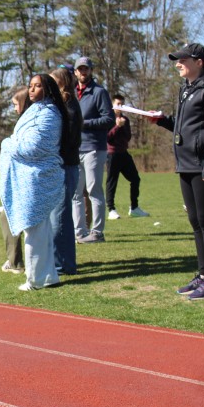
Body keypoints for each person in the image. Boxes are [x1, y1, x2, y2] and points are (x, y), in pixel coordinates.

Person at [150, 43, 204, 300]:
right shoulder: (186, 88)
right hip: (185, 163)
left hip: (202, 163)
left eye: (182, 59)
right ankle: (203, 274)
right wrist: (162, 120)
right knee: (195, 220)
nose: (178, 64)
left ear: (199, 62)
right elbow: (184, 127)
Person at [0, 74, 66, 291]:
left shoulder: (49, 115)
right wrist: (14, 142)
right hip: (28, 180)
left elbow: (32, 148)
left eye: (37, 86)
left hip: (38, 179)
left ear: (48, 89)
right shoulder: (35, 111)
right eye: (30, 86)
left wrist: (7, 143)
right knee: (40, 231)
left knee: (35, 231)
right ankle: (48, 276)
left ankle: (35, 279)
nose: (31, 90)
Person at [71, 57, 115, 243]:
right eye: (80, 69)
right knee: (76, 193)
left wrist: (85, 123)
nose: (83, 72)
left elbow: (109, 119)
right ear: (75, 72)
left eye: (86, 69)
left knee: (93, 190)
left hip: (94, 148)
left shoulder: (99, 92)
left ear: (90, 71)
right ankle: (79, 232)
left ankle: (97, 232)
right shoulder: (72, 93)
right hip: (75, 149)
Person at [49, 66, 83, 276]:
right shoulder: (64, 105)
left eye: (53, 81)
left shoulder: (68, 107)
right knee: (59, 216)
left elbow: (67, 140)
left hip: (65, 167)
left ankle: (63, 265)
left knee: (60, 218)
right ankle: (60, 262)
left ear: (61, 83)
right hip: (65, 166)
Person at [0, 88, 32, 275]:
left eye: (15, 104)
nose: (14, 109)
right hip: (21, 178)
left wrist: (7, 144)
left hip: (22, 179)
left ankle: (15, 262)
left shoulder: (27, 122)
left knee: (9, 217)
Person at [106, 94, 149, 219]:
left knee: (135, 179)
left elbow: (128, 137)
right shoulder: (108, 118)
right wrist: (117, 127)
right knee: (112, 182)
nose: (120, 106)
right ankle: (111, 210)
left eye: (122, 104)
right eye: (118, 104)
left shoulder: (125, 119)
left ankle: (134, 208)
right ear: (113, 105)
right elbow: (107, 138)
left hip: (123, 153)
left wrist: (123, 126)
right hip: (112, 154)